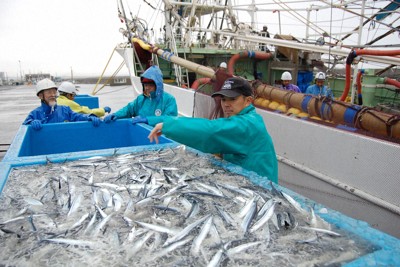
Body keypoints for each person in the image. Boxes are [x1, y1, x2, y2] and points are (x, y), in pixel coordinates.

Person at [148, 77, 278, 183]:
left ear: (248, 101)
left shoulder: (247, 124)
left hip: (261, 192)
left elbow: (211, 131)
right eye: (223, 99)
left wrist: (169, 126)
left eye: (233, 99)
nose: (226, 104)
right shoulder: (249, 119)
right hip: (250, 182)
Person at [104, 66, 178, 126]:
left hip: (160, 137)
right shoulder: (141, 99)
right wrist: (115, 115)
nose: (147, 88)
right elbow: (128, 109)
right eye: (145, 85)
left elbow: (170, 119)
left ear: (158, 85)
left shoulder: (169, 99)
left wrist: (147, 120)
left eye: (150, 85)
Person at [23, 78, 101, 130]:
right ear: (40, 96)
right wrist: (30, 123)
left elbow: (78, 116)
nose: (53, 95)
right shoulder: (35, 114)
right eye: (49, 92)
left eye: (54, 92)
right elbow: (24, 127)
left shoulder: (65, 109)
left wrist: (90, 117)